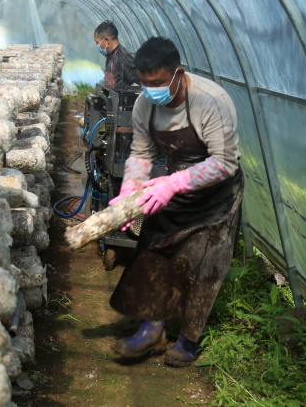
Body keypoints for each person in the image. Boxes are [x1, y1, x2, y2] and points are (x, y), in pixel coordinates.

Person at [108, 36, 244, 367]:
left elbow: (224, 162)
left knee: (203, 264)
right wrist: (128, 195)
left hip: (216, 198)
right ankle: (151, 330)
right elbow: (141, 154)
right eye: (145, 83)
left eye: (157, 82)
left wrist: (174, 183)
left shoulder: (211, 101)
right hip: (174, 191)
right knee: (152, 250)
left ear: (178, 73)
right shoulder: (145, 105)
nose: (151, 90)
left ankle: (188, 340)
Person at [94, 20, 140, 89]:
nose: (97, 45)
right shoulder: (111, 56)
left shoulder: (123, 58)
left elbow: (139, 84)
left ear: (107, 40)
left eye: (97, 42)